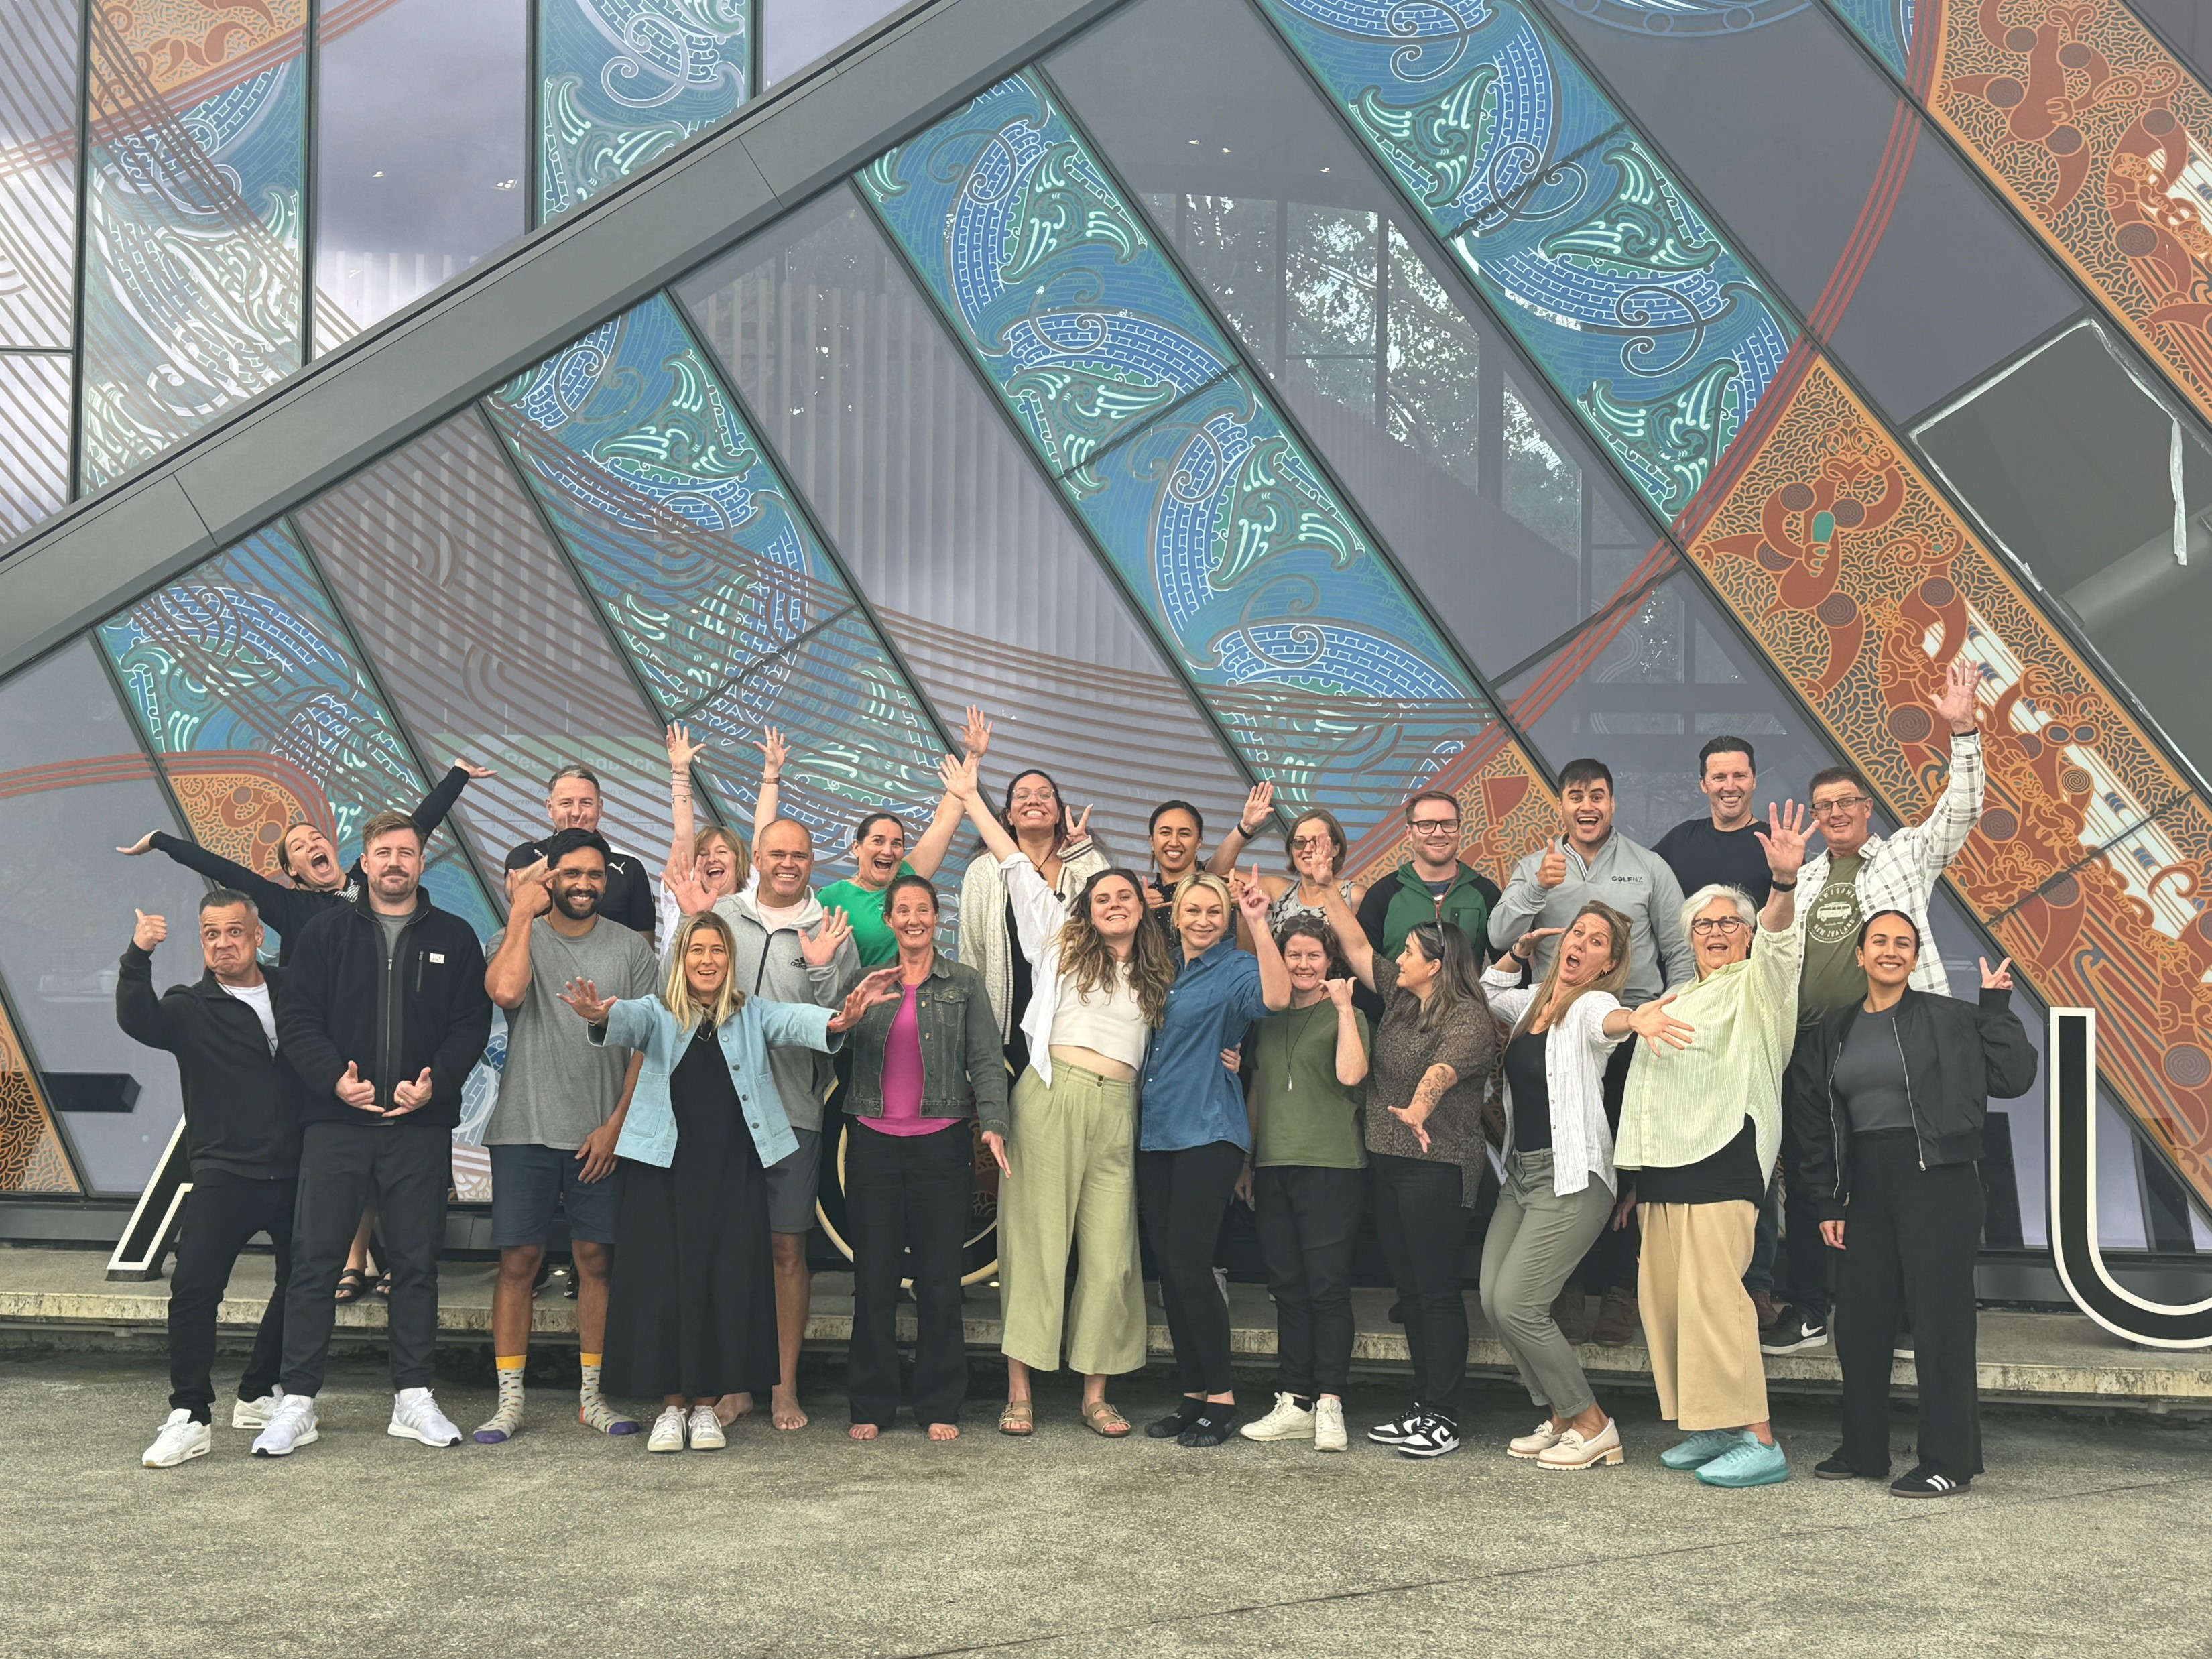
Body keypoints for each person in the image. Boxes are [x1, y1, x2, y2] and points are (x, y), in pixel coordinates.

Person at [561, 914, 897, 1452]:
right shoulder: (658, 1011)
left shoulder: (749, 1012)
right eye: (697, 949)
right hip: (663, 1168)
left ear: (729, 959)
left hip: (732, 1168)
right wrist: (599, 1014)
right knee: (667, 1282)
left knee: (726, 1281)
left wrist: (839, 1021)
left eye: (717, 949)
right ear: (681, 958)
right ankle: (672, 1407)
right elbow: (621, 1021)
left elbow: (796, 1021)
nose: (708, 960)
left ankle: (709, 1407)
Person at [253, 812, 495, 1457]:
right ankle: (297, 1399)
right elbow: (298, 1018)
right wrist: (335, 1080)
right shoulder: (327, 933)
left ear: (422, 862)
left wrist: (435, 1084)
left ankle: (412, 1397)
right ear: (364, 860)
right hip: (338, 1124)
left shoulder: (455, 936)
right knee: (314, 1262)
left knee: (415, 1262)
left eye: (406, 853)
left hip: (418, 1126)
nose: (395, 863)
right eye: (383, 852)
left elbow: (471, 1024)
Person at [1766, 657, 1985, 1357]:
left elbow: (1963, 810)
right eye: (1824, 807)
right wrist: (1777, 880)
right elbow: (1769, 952)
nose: (1835, 815)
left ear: (1868, 809)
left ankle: (1906, 1315)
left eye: (1847, 805)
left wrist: (1964, 733)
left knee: (1900, 1173)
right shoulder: (1801, 876)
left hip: (1897, 1037)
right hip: (1813, 1043)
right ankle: (1808, 1307)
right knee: (1814, 1173)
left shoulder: (1904, 857)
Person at [945, 755, 1170, 1439]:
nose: (1113, 904)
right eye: (1100, 897)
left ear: (1140, 907)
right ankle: (1020, 1393)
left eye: (1123, 896)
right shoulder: (1058, 945)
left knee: (1109, 1256)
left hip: (1115, 1111)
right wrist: (971, 798)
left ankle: (1095, 1395)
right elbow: (1016, 867)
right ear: (1084, 907)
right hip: (1051, 1096)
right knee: (1035, 1246)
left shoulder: (1158, 973)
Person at [1796, 918, 2036, 1497]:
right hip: (1867, 1183)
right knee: (1859, 1321)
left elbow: (2014, 1077)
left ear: (1914, 957)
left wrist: (1996, 1008)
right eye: (1879, 941)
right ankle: (1863, 1449)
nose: (1890, 950)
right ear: (1860, 956)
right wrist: (1828, 1197)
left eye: (1902, 943)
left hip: (1940, 1180)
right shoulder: (1836, 1028)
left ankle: (1949, 1459)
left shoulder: (1949, 1018)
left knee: (1939, 1323)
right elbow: (1816, 1120)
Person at [1613, 803, 1807, 1489]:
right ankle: (1713, 1424)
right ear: (1689, 938)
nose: (1718, 933)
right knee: (1669, 1305)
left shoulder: (1760, 986)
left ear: (1748, 935)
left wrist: (1780, 886)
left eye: (1730, 923)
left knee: (1719, 1304)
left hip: (1721, 1161)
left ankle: (1759, 1438)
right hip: (1665, 1170)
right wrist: (1635, 1177)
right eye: (1705, 925)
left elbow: (1782, 943)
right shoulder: (1679, 993)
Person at [1479, 904, 1690, 1471]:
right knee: (1494, 1302)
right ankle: (1559, 1416)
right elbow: (1484, 991)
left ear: (1608, 963)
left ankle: (1593, 1423)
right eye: (1578, 932)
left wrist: (1637, 1020)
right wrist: (1519, 952)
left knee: (1520, 1304)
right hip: (1522, 1176)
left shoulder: (1593, 1004)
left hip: (1572, 1177)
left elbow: (1610, 1021)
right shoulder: (1529, 1005)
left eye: (1598, 941)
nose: (1582, 943)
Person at [1491, 759, 1694, 1347]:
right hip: (1560, 1036)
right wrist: (1537, 887)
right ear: (1560, 804)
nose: (1587, 806)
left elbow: (1680, 955)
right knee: (1567, 1160)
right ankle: (1568, 1287)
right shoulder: (1537, 867)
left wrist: (1664, 1012)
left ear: (1613, 802)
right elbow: (1503, 939)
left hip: (1633, 1035)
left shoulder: (1649, 867)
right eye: (1576, 796)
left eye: (1598, 795)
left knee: (1632, 1164)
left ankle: (1623, 1290)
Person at [476, 829, 660, 1443]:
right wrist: (522, 915)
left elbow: (646, 1043)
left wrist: (616, 1125)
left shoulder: (630, 950)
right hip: (524, 1127)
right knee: (518, 1262)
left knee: (595, 1261)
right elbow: (504, 991)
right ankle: (509, 1402)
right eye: (573, 872)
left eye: (597, 874)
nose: (586, 883)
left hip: (598, 1134)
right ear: (549, 876)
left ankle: (592, 1398)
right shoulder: (514, 937)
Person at [1319, 885, 1501, 1459]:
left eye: (1408, 953)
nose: (1397, 959)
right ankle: (1422, 1403)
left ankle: (1444, 1413)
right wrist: (1325, 887)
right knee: (1412, 1292)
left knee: (1437, 1292)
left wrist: (1420, 1108)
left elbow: (1444, 1071)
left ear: (1437, 963)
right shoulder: (1402, 999)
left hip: (1439, 1167)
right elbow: (1352, 943)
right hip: (1391, 1163)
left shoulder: (1470, 1017)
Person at [117, 893, 298, 1468]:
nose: (223, 942)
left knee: (300, 1284)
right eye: (210, 933)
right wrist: (138, 954)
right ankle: (190, 1412)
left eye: (233, 931)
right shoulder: (188, 1005)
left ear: (257, 934)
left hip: (298, 1168)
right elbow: (136, 1018)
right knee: (194, 1289)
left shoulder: (294, 990)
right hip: (224, 1170)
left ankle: (257, 1392)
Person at [705, 816, 861, 1430]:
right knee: (724, 1249)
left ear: (812, 860)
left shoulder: (832, 928)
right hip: (719, 1107)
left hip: (794, 1106)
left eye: (800, 854)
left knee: (787, 1247)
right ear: (759, 859)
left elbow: (835, 1031)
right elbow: (683, 993)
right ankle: (733, 1384)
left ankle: (782, 1387)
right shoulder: (720, 913)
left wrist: (821, 966)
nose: (789, 863)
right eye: (778, 853)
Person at [840, 873, 1007, 1442]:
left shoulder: (963, 982)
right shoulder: (865, 981)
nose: (913, 918)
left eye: (924, 909)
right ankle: (871, 1402)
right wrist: (851, 1013)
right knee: (875, 1278)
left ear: (939, 917)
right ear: (888, 919)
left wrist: (996, 1125)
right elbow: (832, 1039)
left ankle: (939, 1403)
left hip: (942, 1144)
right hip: (872, 1143)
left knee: (939, 1281)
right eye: (902, 910)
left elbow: (986, 1058)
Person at [1135, 868, 1290, 1446]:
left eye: (1214, 913)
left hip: (1208, 1131)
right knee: (1171, 1273)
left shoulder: (1237, 968)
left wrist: (1258, 922)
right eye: (1194, 910)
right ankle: (1193, 1393)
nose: (1203, 920)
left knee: (1191, 1266)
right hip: (1155, 1135)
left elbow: (1276, 997)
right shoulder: (1161, 966)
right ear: (1176, 915)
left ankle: (1221, 1398)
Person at [115, 758, 493, 967]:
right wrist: (160, 841)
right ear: (293, 871)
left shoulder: (368, 876)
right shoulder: (289, 907)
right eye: (298, 846)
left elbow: (416, 826)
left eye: (316, 838)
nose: (312, 843)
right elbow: (223, 869)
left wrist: (458, 775)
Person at [1652, 737, 1780, 1327]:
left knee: (1758, 1139)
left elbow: (1783, 935)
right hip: (1696, 1013)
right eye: (1717, 776)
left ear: (1754, 779)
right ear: (1702, 783)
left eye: (1739, 774)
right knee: (1700, 1135)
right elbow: (1648, 915)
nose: (1729, 784)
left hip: (1758, 1009)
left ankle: (1757, 1282)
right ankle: (1691, 1277)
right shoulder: (1679, 845)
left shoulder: (1777, 847)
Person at [1235, 922, 1369, 1455]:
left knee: (1328, 1287)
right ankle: (1295, 1400)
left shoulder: (1349, 1014)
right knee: (1287, 1286)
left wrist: (1340, 1009)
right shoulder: (1264, 1021)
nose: (1304, 964)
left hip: (1333, 1165)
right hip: (1273, 1165)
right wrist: (1247, 1158)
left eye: (1314, 955)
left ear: (1329, 961)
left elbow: (1354, 1074)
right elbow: (1259, 1092)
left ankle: (1331, 1402)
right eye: (1294, 954)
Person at [955, 710, 1108, 1072]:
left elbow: (1109, 917)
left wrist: (1082, 852)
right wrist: (973, 1029)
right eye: (1021, 796)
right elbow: (971, 953)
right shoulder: (983, 871)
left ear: (1058, 813)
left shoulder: (1084, 863)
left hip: (1073, 1023)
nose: (1033, 800)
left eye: (1044, 795)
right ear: (1008, 815)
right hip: (1004, 1026)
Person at [758, 724, 973, 967]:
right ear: (856, 847)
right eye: (878, 841)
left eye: (897, 844)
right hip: (865, 1000)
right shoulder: (831, 897)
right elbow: (765, 848)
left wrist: (973, 758)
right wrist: (771, 776)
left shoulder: (907, 877)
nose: (888, 850)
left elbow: (945, 822)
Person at [504, 763, 657, 938]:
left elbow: (644, 948)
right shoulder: (529, 854)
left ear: (599, 809)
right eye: (566, 803)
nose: (576, 813)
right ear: (550, 808)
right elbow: (514, 892)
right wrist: (564, 849)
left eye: (586, 803)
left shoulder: (629, 866)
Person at [1352, 790, 1499, 967]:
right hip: (1396, 995)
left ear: (1459, 829)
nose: (1438, 833)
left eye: (1448, 824)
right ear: (1409, 833)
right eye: (1427, 825)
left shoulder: (1485, 893)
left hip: (1464, 995)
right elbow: (1363, 966)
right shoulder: (1382, 895)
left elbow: (1510, 967)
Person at [1141, 788, 1267, 955]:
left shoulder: (1228, 890)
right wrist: (1137, 914)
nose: (1174, 842)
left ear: (1199, 842)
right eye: (1165, 833)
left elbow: (1250, 957)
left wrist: (1245, 912)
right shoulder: (1142, 899)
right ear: (1152, 840)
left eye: (1184, 834)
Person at [658, 722, 749, 948]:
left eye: (722, 852)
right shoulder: (680, 895)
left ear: (739, 861)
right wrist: (680, 772)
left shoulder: (752, 901)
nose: (712, 859)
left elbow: (765, 838)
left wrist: (771, 775)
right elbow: (684, 836)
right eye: (703, 854)